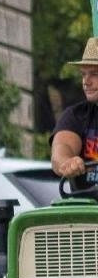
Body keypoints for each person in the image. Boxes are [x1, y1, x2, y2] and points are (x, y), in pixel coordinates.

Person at [52, 38, 98, 179]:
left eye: (94, 74)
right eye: (83, 74)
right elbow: (61, 148)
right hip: (87, 201)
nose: (86, 81)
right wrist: (67, 162)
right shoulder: (75, 115)